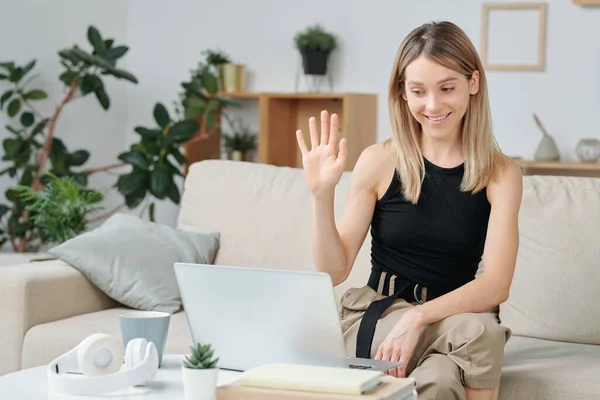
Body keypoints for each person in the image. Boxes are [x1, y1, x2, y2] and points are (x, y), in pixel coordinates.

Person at [295, 21, 522, 400]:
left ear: (473, 83)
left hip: (452, 319)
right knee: (480, 335)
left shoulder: (501, 174)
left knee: (447, 375)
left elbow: (497, 284)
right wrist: (321, 195)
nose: (432, 106)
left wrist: (418, 316)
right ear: (402, 93)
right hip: (381, 316)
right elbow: (333, 270)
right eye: (418, 91)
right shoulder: (379, 161)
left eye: (447, 88)